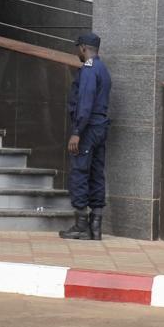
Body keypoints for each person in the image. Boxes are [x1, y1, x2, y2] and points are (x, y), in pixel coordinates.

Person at [60, 31, 111, 240]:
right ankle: (96, 227)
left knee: (80, 172)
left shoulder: (89, 69)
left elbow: (85, 102)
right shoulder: (103, 69)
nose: (77, 53)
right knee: (97, 173)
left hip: (88, 128)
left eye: (78, 49)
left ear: (83, 48)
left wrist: (77, 132)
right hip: (100, 126)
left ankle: (81, 225)